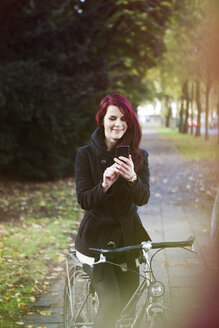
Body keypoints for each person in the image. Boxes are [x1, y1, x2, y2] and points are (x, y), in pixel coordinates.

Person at [74, 94, 151, 328]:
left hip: (128, 239)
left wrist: (132, 178)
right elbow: (84, 200)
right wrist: (105, 184)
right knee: (111, 302)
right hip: (96, 238)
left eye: (124, 119)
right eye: (112, 118)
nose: (118, 124)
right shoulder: (85, 155)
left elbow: (143, 197)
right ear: (102, 120)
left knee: (129, 305)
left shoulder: (138, 156)